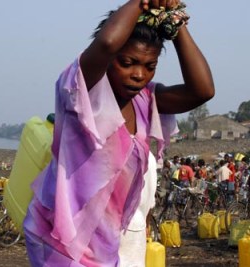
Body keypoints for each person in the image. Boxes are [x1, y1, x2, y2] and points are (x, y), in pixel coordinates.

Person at [23, 0, 214, 265]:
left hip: (104, 243)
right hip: (59, 238)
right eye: (127, 62)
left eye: (150, 66)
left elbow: (202, 91)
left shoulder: (146, 100)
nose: (139, 75)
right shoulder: (83, 92)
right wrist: (144, 1)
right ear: (108, 60)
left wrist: (177, 24)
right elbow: (107, 43)